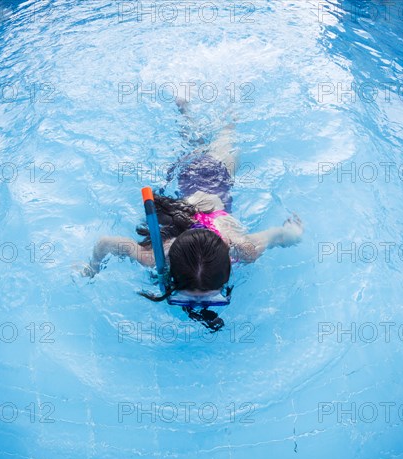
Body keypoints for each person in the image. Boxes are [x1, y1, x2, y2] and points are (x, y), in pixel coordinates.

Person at [84, 99, 303, 314]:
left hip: (202, 177)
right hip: (202, 177)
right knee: (209, 139)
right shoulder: (156, 259)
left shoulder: (242, 251)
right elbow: (105, 244)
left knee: (209, 138)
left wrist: (293, 233)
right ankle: (203, 108)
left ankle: (205, 107)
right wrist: (91, 269)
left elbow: (279, 236)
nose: (198, 306)